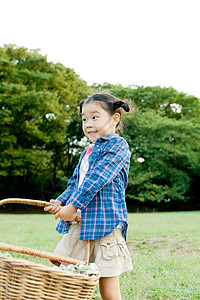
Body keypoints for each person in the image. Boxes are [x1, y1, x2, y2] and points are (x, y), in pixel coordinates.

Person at [44, 93, 133, 300]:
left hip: (106, 228)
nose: (88, 123)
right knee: (65, 278)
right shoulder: (88, 150)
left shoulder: (117, 146)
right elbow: (76, 183)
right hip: (80, 225)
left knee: (108, 287)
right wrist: (61, 201)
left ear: (114, 118)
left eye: (95, 117)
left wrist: (73, 206)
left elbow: (97, 179)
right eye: (84, 119)